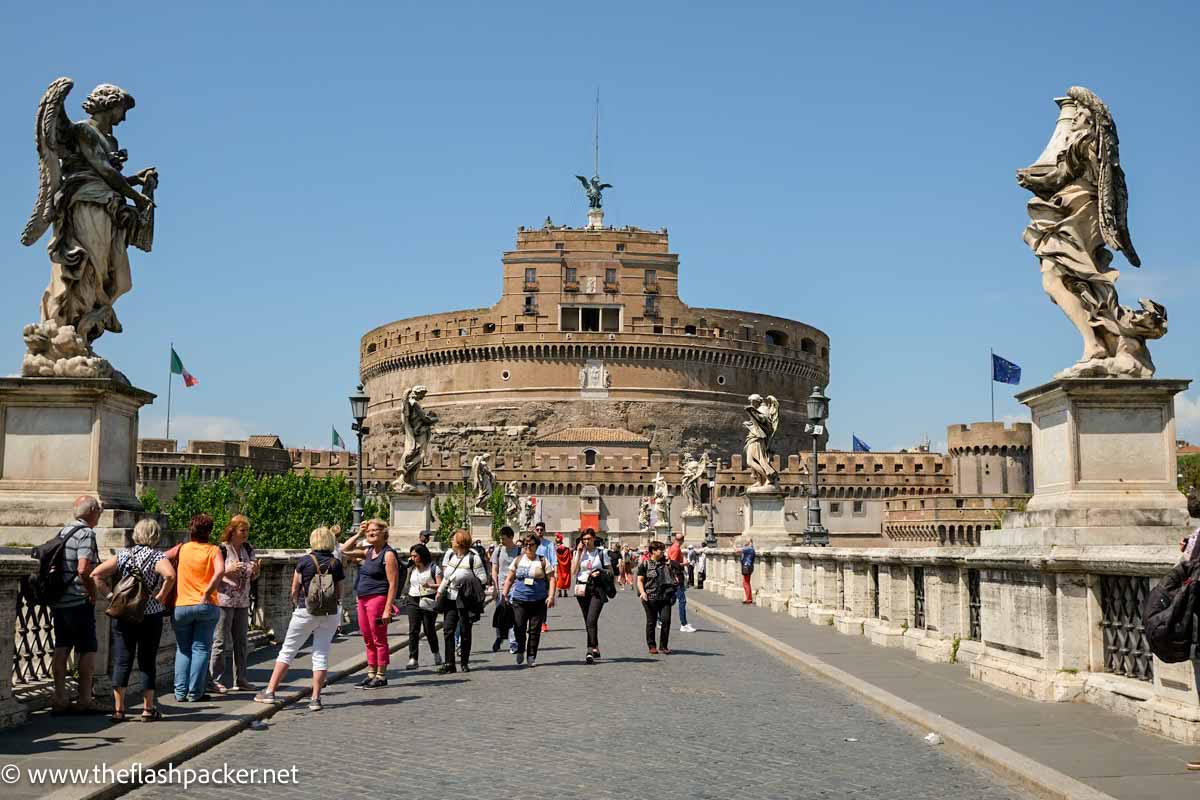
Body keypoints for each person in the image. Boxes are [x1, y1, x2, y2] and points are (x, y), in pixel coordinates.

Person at [90, 517, 176, 722]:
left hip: (125, 613)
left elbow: (96, 574)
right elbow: (170, 576)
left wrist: (111, 597)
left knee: (122, 660)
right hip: (150, 613)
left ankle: (119, 709)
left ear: (136, 534)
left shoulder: (124, 555)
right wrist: (161, 596)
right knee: (147, 661)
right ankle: (148, 709)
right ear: (155, 536)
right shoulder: (157, 557)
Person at [255, 527, 345, 710]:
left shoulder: (305, 561)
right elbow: (340, 591)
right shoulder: (335, 563)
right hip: (330, 613)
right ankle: (315, 698)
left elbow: (294, 589)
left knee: (288, 651)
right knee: (321, 654)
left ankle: (270, 691)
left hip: (306, 610)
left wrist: (296, 603)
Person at [49, 496, 103, 713]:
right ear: (91, 511)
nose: (99, 513)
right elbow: (83, 568)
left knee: (61, 647)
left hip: (59, 600)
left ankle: (60, 698)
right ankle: (84, 700)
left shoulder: (63, 531)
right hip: (78, 600)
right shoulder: (86, 533)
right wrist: (92, 592)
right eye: (98, 509)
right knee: (87, 649)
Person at [171, 514, 225, 702]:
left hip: (182, 605)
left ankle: (179, 692)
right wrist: (208, 590)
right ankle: (195, 692)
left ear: (190, 530)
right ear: (209, 532)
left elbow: (160, 559)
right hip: (206, 604)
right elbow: (220, 571)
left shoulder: (182, 548)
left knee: (183, 649)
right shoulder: (213, 550)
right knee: (201, 649)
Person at [347, 519, 402, 688]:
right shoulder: (368, 552)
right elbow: (344, 550)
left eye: (374, 531)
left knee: (379, 638)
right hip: (362, 598)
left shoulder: (388, 554)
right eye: (368, 531)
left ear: (383, 534)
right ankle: (370, 673)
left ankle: (381, 675)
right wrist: (358, 533)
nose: (370, 533)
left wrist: (387, 609)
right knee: (367, 638)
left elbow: (393, 583)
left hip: (377, 599)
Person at [210, 515, 259, 693]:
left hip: (243, 600)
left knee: (241, 642)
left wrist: (255, 571)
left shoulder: (248, 548)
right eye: (242, 530)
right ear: (232, 531)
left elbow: (253, 575)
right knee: (220, 641)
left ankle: (241, 679)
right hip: (224, 600)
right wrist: (227, 570)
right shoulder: (221, 549)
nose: (245, 534)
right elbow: (213, 573)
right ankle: (214, 680)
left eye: (247, 530)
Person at [436, 529, 489, 673]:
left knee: (465, 631)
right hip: (451, 597)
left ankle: (464, 662)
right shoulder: (452, 556)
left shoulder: (473, 558)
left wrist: (466, 580)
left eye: (453, 539)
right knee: (448, 629)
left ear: (460, 541)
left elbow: (483, 578)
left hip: (466, 599)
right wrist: (440, 591)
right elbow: (447, 577)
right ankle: (449, 664)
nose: (451, 541)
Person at [501, 533, 553, 667]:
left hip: (538, 601)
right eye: (525, 545)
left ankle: (531, 655)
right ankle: (520, 650)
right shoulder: (518, 560)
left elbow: (552, 579)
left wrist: (551, 596)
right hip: (519, 600)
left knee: (535, 630)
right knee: (519, 627)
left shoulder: (542, 560)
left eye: (531, 545)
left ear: (537, 546)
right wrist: (504, 594)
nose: (528, 547)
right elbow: (510, 578)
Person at [571, 528, 612, 664]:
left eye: (589, 539)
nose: (586, 541)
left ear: (594, 538)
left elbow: (610, 572)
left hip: (597, 588)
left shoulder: (602, 553)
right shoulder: (578, 553)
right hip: (582, 588)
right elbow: (573, 571)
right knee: (588, 621)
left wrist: (599, 571)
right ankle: (595, 646)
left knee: (591, 620)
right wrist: (579, 553)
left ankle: (589, 650)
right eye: (584, 539)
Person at [404, 543, 442, 669]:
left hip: (428, 599)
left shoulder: (433, 568)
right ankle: (413, 658)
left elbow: (441, 585)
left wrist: (431, 586)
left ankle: (436, 653)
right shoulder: (411, 568)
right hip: (413, 599)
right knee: (413, 630)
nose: (412, 558)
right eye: (411, 556)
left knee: (428, 629)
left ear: (422, 555)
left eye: (415, 556)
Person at [637, 541, 676, 655]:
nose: (662, 551)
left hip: (665, 597)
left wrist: (671, 564)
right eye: (660, 549)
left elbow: (676, 573)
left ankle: (663, 646)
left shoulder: (667, 564)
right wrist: (642, 592)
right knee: (651, 622)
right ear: (653, 551)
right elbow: (640, 580)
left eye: (663, 549)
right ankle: (652, 645)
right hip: (650, 597)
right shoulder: (646, 564)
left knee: (666, 620)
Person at [491, 527, 521, 653]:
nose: (501, 540)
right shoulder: (498, 551)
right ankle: (499, 637)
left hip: (515, 586)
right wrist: (495, 586)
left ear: (510, 537)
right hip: (501, 586)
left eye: (503, 538)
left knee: (512, 615)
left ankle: (513, 642)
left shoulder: (519, 551)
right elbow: (494, 569)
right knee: (500, 615)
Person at [531, 522, 557, 631]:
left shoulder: (549, 544)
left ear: (544, 531)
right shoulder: (531, 544)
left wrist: (555, 574)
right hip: (532, 574)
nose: (540, 531)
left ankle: (543, 622)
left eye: (541, 529)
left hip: (545, 575)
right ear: (535, 530)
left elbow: (554, 560)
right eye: (538, 529)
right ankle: (532, 621)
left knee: (543, 599)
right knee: (531, 598)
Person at [667, 532, 696, 633]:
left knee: (671, 600)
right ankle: (683, 624)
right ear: (683, 540)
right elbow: (673, 563)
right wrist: (685, 563)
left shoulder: (673, 547)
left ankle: (659, 618)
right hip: (677, 577)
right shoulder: (675, 548)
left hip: (675, 577)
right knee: (682, 601)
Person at [554, 533, 572, 598]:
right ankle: (565, 592)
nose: (555, 538)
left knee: (559, 577)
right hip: (565, 566)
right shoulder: (566, 548)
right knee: (565, 577)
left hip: (558, 565)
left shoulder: (555, 547)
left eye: (556, 537)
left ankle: (560, 592)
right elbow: (570, 557)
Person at [740, 537, 757, 604]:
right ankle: (748, 598)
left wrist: (732, 545)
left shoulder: (748, 548)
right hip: (749, 566)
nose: (745, 541)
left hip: (747, 567)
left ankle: (749, 599)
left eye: (746, 541)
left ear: (749, 542)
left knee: (746, 583)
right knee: (746, 582)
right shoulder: (751, 549)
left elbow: (737, 550)